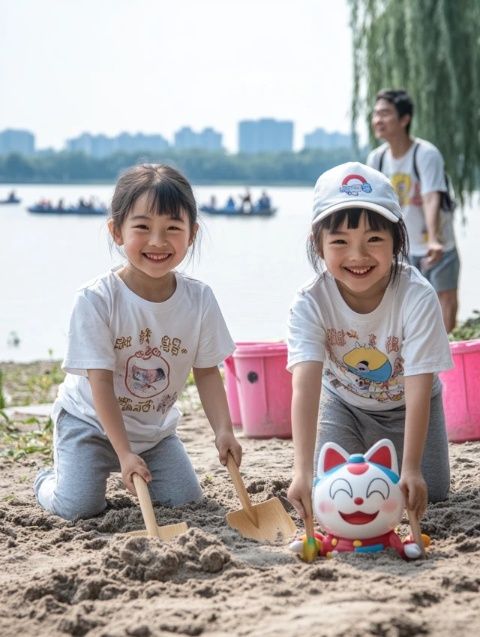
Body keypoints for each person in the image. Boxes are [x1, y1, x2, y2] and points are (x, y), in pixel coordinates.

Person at [34, 163, 242, 520]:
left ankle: (134, 460)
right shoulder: (96, 300)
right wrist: (125, 453)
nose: (158, 241)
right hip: (90, 423)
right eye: (142, 227)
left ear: (191, 234)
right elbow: (99, 384)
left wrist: (224, 430)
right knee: (78, 508)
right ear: (117, 231)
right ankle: (45, 480)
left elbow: (207, 372)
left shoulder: (199, 300)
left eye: (172, 228)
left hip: (155, 434)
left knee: (186, 501)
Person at [286, 162, 452, 530]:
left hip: (409, 405)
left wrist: (410, 467)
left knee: (431, 490)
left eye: (374, 239)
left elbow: (420, 383)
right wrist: (300, 470)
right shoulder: (310, 302)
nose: (358, 256)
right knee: (329, 488)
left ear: (396, 239)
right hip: (343, 404)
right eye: (340, 241)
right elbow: (306, 385)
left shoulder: (417, 296)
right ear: (319, 243)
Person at [367, 88, 459, 333]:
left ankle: (447, 361)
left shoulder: (425, 154)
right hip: (401, 247)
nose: (377, 120)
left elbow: (431, 197)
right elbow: (374, 207)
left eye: (385, 113)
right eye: (376, 114)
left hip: (436, 245)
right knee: (403, 309)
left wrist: (435, 240)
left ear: (405, 119)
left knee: (444, 303)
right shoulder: (376, 160)